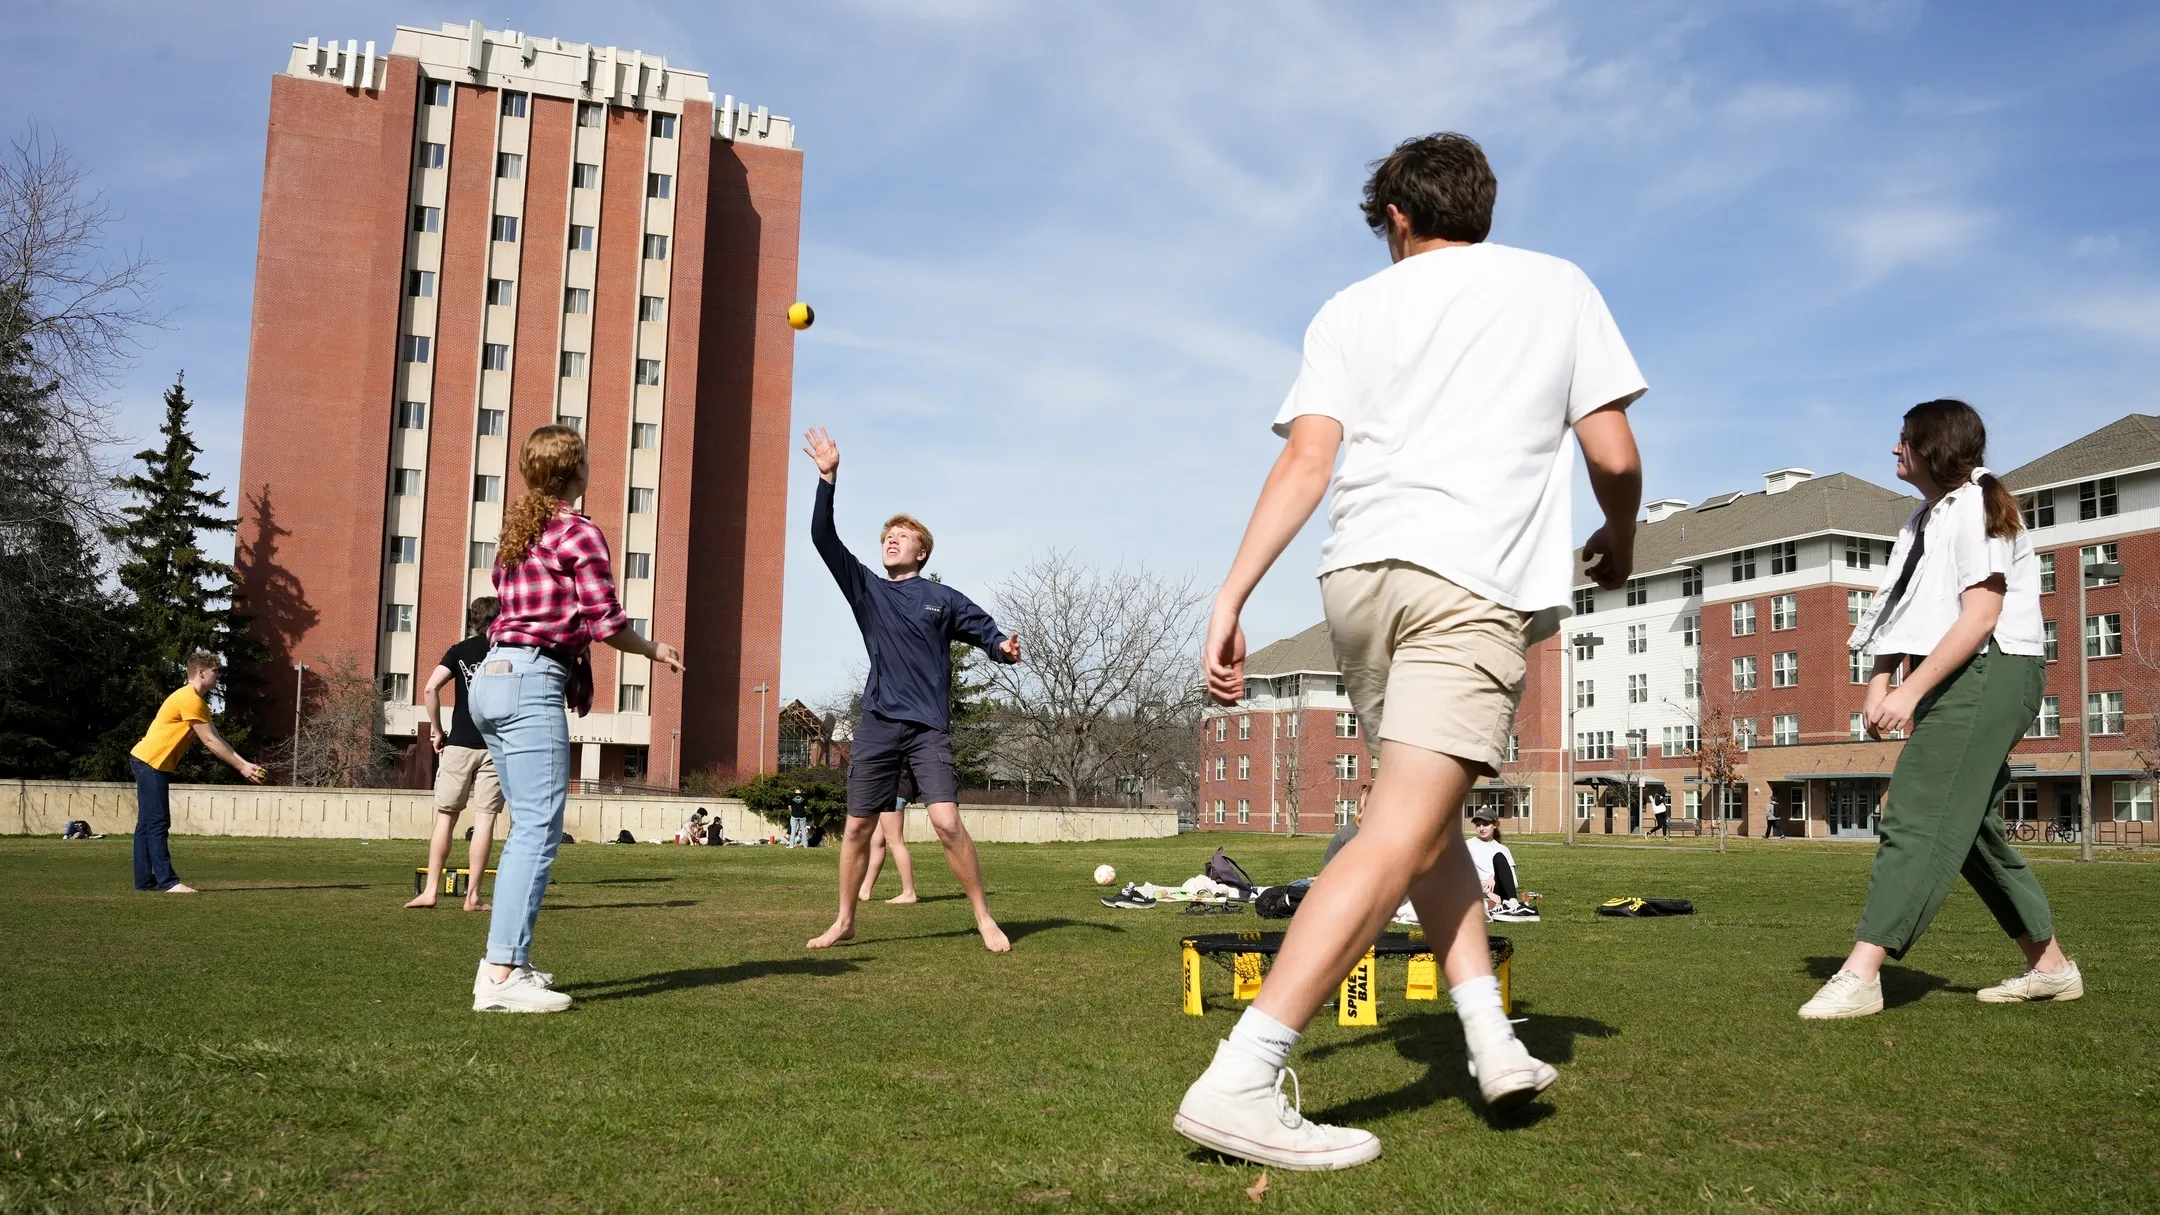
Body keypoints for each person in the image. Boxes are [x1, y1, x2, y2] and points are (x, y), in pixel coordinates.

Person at [1172, 132, 1647, 1169]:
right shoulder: (1557, 285)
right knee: (1398, 831)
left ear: (1395, 218)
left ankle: (1488, 1040)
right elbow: (1612, 451)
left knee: (1429, 828)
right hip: (1465, 584)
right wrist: (1621, 530)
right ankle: (1243, 1077)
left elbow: (1308, 459)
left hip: (1357, 584)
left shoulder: (1350, 309)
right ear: (1482, 206)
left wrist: (1231, 592)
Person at [1801, 400, 2080, 1019]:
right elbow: (1904, 609)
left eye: (1903, 441)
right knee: (1971, 830)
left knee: (1917, 810)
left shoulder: (1977, 509)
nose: (1893, 451)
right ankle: (2052, 967)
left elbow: (1981, 616)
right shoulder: (1922, 519)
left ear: (1933, 448)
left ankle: (1863, 971)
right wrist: (1878, 680)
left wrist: (1908, 690)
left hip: (1993, 668)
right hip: (1958, 672)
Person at [469, 425, 685, 1013]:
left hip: (490, 678)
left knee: (525, 831)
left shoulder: (518, 535)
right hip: (530, 679)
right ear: (575, 471)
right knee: (538, 832)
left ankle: (508, 961)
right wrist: (654, 649)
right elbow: (606, 624)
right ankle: (500, 973)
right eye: (587, 459)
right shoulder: (579, 531)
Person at [800, 425, 1022, 952]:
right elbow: (823, 539)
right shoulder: (867, 590)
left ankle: (984, 917)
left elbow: (986, 629)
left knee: (946, 822)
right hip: (877, 723)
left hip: (927, 728)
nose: (890, 540)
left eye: (901, 536)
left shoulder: (941, 598)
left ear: (922, 552)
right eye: (885, 537)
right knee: (857, 828)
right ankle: (846, 919)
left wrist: (1001, 648)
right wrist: (828, 480)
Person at [128, 651, 269, 892]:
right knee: (158, 822)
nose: (219, 676)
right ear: (200, 672)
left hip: (148, 760)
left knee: (147, 823)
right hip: (151, 761)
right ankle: (168, 882)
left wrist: (245, 763)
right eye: (216, 671)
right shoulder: (189, 698)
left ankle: (145, 881)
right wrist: (241, 768)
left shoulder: (196, 701)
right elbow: (209, 742)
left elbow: (216, 737)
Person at [407, 596, 505, 911]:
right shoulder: (508, 652)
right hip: (496, 746)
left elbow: (429, 688)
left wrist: (437, 731)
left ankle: (431, 891)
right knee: (485, 820)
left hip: (459, 743)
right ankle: (473, 897)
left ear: (473, 620)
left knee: (446, 818)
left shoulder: (460, 650)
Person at [1467, 811, 1536, 922]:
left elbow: (1513, 882)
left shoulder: (1502, 849)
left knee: (1499, 857)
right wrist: (1486, 892)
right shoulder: (1468, 845)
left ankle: (1513, 904)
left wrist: (1494, 877)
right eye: (1478, 825)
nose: (1481, 828)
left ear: (1495, 825)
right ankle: (1488, 909)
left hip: (1499, 892)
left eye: (1485, 824)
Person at [860, 792, 920, 904]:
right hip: (886, 795)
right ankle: (865, 890)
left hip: (892, 795)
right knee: (877, 841)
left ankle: (909, 893)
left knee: (895, 841)